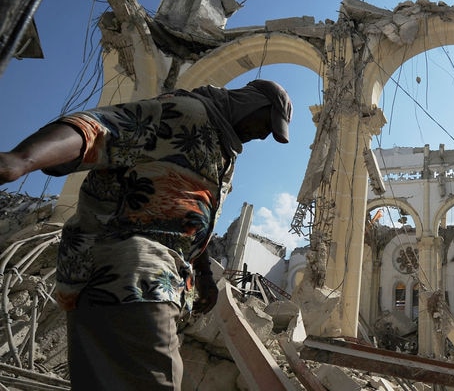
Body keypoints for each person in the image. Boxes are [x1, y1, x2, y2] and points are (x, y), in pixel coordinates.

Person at [0, 79, 292, 390]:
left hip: (112, 279)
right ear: (252, 103)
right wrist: (21, 160)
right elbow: (104, 126)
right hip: (135, 271)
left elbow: (186, 218)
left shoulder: (221, 147)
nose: (262, 136)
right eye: (266, 123)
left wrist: (204, 273)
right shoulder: (188, 112)